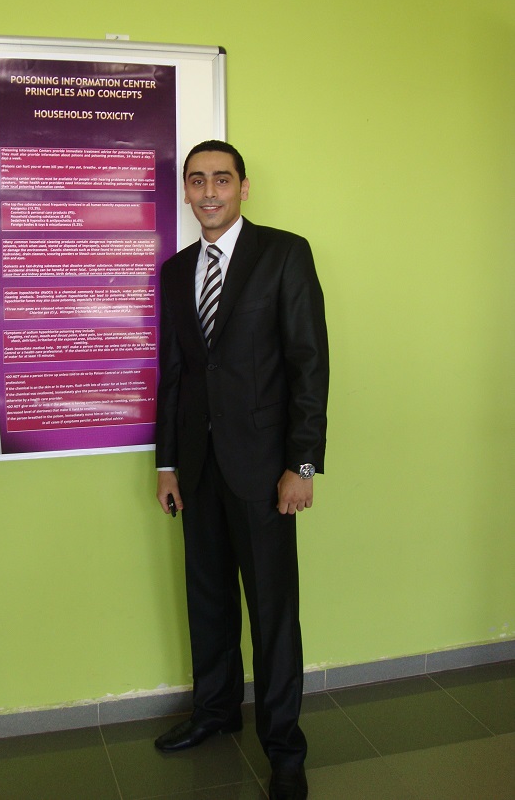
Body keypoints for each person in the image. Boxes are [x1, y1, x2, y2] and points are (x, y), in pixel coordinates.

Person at [154, 139, 329, 800]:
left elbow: (309, 364)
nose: (209, 192)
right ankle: (216, 710)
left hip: (264, 471)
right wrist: (168, 464)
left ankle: (285, 750)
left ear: (243, 187)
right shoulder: (177, 271)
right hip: (198, 470)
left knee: (273, 612)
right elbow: (174, 375)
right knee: (208, 601)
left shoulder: (284, 254)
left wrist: (301, 464)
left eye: (221, 179)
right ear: (186, 190)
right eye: (197, 180)